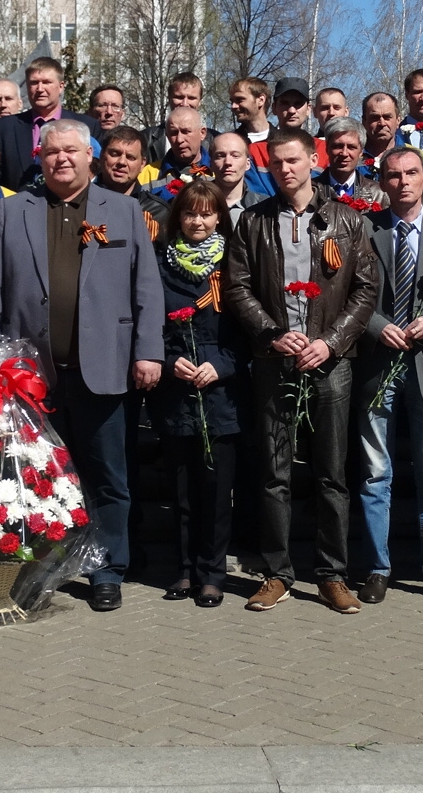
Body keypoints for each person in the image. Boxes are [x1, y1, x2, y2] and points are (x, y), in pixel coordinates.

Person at [0, 118, 165, 612]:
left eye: (70, 151)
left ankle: (107, 569)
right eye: (51, 151)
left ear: (89, 156)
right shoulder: (14, 210)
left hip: (103, 366)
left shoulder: (123, 210)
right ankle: (44, 566)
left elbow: (146, 286)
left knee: (108, 477)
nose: (61, 158)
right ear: (40, 158)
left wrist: (148, 351)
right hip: (31, 375)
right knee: (37, 475)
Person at [224, 126, 380, 615]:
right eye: (276, 163)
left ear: (315, 160)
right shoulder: (253, 221)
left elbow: (365, 289)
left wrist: (329, 342)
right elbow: (236, 287)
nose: (285, 169)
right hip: (275, 361)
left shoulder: (347, 220)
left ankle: (332, 575)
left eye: (293, 160)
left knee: (332, 473)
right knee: (275, 473)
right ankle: (277, 573)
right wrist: (273, 333)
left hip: (330, 363)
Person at [350, 147, 423, 607]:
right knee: (375, 474)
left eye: (411, 173)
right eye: (394, 175)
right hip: (378, 365)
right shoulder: (365, 229)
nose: (402, 182)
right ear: (382, 182)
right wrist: (378, 327)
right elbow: (353, 295)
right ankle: (377, 568)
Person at [147, 179, 246, 609]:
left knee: (216, 489)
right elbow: (149, 322)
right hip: (177, 389)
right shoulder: (160, 263)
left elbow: (249, 330)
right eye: (190, 213)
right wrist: (170, 360)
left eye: (207, 214)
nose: (198, 222)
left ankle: (212, 572)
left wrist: (221, 365)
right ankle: (185, 568)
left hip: (220, 391)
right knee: (182, 488)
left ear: (219, 217)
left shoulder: (234, 263)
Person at [0, 56, 91, 189]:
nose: (40, 89)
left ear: (61, 86)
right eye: (34, 83)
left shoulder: (87, 126)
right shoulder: (3, 129)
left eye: (46, 82)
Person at [95, 126, 169, 241]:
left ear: (142, 164)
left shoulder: (158, 211)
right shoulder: (82, 203)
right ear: (101, 155)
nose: (122, 162)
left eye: (130, 157)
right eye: (115, 154)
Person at [141, 72, 215, 165]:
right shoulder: (145, 139)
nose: (185, 103)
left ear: (200, 101)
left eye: (191, 98)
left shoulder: (215, 140)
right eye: (179, 97)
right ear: (169, 99)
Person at [136, 106, 212, 191]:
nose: (179, 139)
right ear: (167, 136)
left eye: (186, 132)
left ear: (202, 133)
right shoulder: (148, 174)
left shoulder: (217, 172)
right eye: (173, 133)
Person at [315, 116, 385, 207]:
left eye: (351, 147)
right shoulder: (311, 191)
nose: (344, 153)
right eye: (338, 146)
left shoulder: (378, 193)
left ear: (361, 152)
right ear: (327, 148)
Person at [208, 132, 265, 225]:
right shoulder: (194, 204)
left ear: (247, 164)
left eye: (235, 156)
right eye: (220, 156)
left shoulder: (264, 208)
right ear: (210, 164)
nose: (228, 162)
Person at [359, 92, 401, 172]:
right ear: (364, 121)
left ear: (398, 120)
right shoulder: (351, 157)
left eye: (387, 117)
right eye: (375, 118)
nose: (382, 123)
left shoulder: (415, 156)